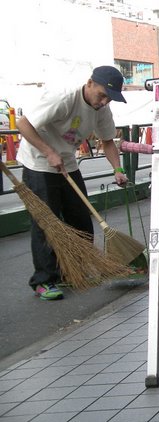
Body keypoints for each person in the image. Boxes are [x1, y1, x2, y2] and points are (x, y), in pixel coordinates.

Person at [16, 65, 129, 300]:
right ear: (89, 83)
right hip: (38, 162)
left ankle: (72, 271)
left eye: (109, 98)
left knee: (80, 218)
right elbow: (23, 124)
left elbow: (108, 141)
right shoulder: (64, 98)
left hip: (67, 163)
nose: (104, 101)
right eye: (102, 95)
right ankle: (44, 280)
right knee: (48, 223)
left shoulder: (101, 109)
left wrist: (117, 169)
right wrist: (48, 152)